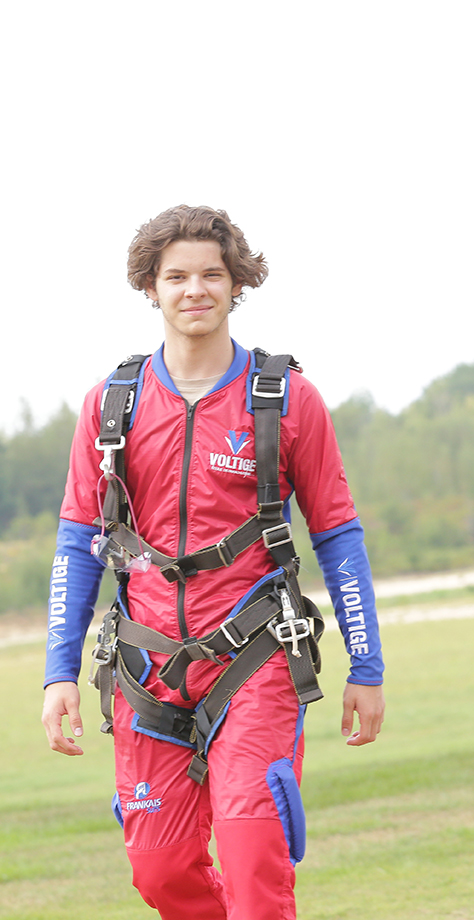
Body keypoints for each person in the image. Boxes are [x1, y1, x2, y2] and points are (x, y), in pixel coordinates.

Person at [41, 205, 385, 920]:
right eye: (176, 277)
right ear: (151, 287)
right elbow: (78, 544)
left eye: (211, 275)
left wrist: (367, 666)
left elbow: (339, 537)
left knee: (256, 863)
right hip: (145, 669)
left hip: (255, 660)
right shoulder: (111, 406)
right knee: (161, 873)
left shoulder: (286, 399)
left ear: (237, 284)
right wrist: (58, 673)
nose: (194, 289)